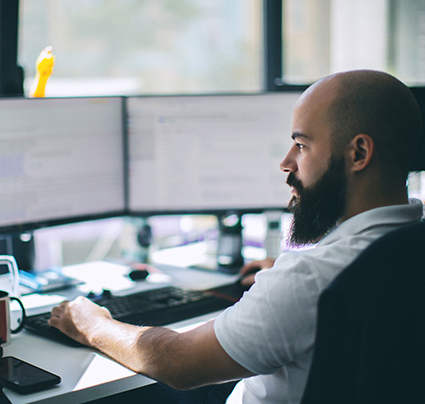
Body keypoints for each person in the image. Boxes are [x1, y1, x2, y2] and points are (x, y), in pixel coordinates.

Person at [48, 70, 423, 403]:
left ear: (358, 152)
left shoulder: (311, 278)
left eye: (303, 145)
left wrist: (91, 323)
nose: (287, 162)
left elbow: (178, 363)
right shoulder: (404, 249)